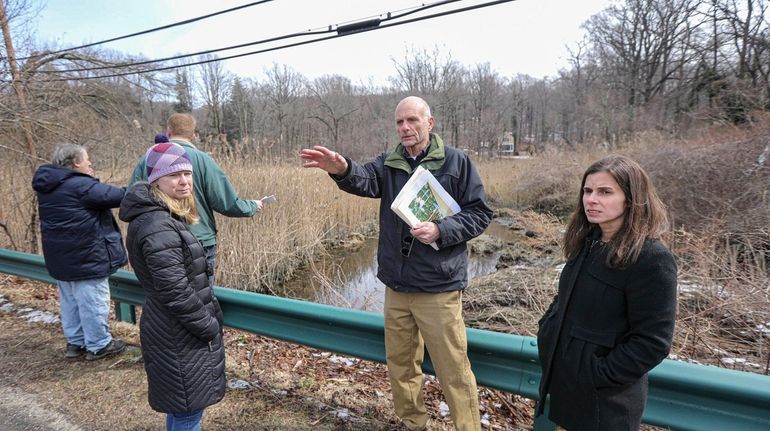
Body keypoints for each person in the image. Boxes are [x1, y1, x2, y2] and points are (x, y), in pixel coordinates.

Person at [301, 96, 492, 431]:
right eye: (400, 122)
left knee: (453, 370)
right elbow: (364, 179)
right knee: (401, 366)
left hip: (438, 287)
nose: (405, 128)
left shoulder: (456, 162)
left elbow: (480, 214)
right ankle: (411, 423)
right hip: (397, 285)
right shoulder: (389, 163)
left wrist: (441, 229)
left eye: (412, 121)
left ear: (429, 123)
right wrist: (341, 168)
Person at [535, 155, 678, 431]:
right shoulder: (587, 244)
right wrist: (548, 329)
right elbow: (564, 300)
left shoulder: (651, 258)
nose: (591, 199)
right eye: (588, 191)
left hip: (608, 405)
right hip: (568, 391)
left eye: (605, 192)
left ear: (632, 198)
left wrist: (596, 373)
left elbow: (652, 343)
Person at [120, 142, 225, 431]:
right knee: (187, 412)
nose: (184, 181)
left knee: (184, 407)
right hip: (178, 332)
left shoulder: (163, 217)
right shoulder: (158, 225)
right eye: (173, 175)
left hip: (174, 329)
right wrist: (208, 325)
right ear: (156, 181)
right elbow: (175, 290)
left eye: (187, 174)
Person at [129, 113, 262, 281]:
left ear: (169, 131)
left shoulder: (148, 159)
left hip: (156, 243)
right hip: (199, 241)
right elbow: (227, 203)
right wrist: (252, 206)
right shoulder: (203, 159)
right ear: (193, 135)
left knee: (166, 295)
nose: (183, 181)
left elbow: (131, 199)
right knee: (201, 295)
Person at [32, 144, 127, 361]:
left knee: (71, 302)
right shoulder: (80, 185)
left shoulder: (49, 186)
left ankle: (76, 343)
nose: (90, 163)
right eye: (87, 160)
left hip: (61, 257)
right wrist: (143, 188)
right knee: (93, 301)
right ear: (75, 163)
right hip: (86, 257)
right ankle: (99, 345)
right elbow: (118, 196)